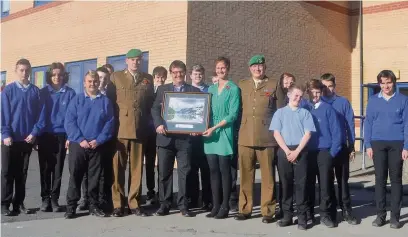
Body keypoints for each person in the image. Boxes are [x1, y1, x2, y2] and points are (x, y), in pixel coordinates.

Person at [234, 55, 285, 223]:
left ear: (265, 67)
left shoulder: (273, 84)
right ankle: (245, 209)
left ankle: (268, 211)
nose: (257, 69)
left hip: (267, 138)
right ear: (250, 68)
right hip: (245, 136)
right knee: (246, 176)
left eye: (260, 66)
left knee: (268, 176)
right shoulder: (242, 85)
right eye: (254, 66)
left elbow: (280, 112)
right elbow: (237, 110)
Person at [107, 49, 155, 217]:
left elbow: (150, 105)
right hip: (121, 129)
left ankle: (134, 203)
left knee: (136, 170)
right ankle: (118, 204)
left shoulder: (147, 79)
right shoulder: (116, 77)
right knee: (117, 169)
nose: (136, 62)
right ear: (126, 61)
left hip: (139, 129)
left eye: (138, 60)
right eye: (132, 60)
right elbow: (110, 104)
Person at [151, 60, 200, 217]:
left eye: (180, 72)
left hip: (185, 140)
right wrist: (158, 124)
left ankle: (183, 205)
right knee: (164, 173)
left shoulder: (194, 90)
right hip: (165, 138)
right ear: (171, 74)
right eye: (175, 72)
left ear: (185, 73)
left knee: (184, 173)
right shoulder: (162, 89)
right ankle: (164, 204)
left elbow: (199, 112)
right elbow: (155, 109)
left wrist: (196, 128)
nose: (178, 75)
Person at [64, 70, 114, 219]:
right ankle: (71, 207)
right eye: (89, 81)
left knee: (94, 178)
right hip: (78, 145)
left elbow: (110, 123)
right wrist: (80, 139)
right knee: (75, 176)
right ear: (84, 83)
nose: (92, 84)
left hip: (96, 145)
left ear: (98, 83)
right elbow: (69, 122)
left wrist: (99, 140)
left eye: (95, 81)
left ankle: (93, 205)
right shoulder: (77, 100)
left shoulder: (105, 101)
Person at [364, 70, 408, 229]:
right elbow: (368, 123)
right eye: (382, 83)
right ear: (379, 84)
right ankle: (380, 216)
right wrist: (367, 144)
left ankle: (395, 218)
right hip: (377, 143)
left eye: (388, 82)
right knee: (380, 180)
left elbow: (407, 124)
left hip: (397, 143)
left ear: (393, 82)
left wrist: (406, 146)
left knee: (396, 181)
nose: (386, 86)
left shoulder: (403, 100)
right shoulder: (373, 100)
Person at [269, 84, 316, 230]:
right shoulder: (280, 113)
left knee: (301, 186)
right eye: (296, 95)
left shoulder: (305, 113)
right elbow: (276, 133)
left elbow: (308, 133)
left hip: (301, 151)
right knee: (285, 185)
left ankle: (302, 218)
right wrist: (287, 151)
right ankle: (287, 216)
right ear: (289, 95)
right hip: (284, 151)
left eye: (301, 96)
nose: (298, 98)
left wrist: (296, 152)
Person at [1, 58, 44, 216]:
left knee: (22, 173)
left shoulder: (35, 91)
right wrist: (5, 134)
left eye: (27, 70)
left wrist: (34, 133)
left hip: (27, 140)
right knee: (7, 172)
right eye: (21, 70)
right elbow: (4, 114)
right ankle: (4, 204)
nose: (24, 73)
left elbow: (40, 116)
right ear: (16, 71)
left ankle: (18, 203)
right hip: (10, 139)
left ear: (30, 71)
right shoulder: (9, 90)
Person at [202, 57, 240, 219]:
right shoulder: (210, 89)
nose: (220, 70)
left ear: (228, 69)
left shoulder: (233, 88)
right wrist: (199, 127)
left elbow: (233, 115)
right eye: (218, 68)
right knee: (213, 171)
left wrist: (214, 128)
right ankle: (215, 205)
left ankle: (225, 206)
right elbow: (204, 112)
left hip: (223, 132)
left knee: (225, 171)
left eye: (223, 68)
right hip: (209, 134)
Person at [38, 62, 76, 212]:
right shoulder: (43, 93)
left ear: (64, 76)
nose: (57, 77)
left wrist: (69, 136)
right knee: (45, 169)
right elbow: (38, 115)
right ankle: (45, 199)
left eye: (60, 74)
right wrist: (36, 136)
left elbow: (72, 117)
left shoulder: (70, 93)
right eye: (54, 74)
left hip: (62, 135)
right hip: (45, 135)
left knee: (58, 170)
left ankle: (54, 200)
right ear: (49, 76)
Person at [320, 73, 358, 225]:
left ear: (334, 86)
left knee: (343, 181)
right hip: (325, 150)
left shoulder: (343, 102)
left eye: (330, 86)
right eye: (324, 86)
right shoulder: (317, 103)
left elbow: (349, 124)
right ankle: (330, 212)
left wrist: (351, 146)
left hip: (341, 147)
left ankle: (347, 211)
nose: (328, 89)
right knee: (327, 182)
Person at [304, 79, 342, 228]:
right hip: (308, 152)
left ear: (321, 92)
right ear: (308, 92)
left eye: (317, 92)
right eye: (312, 92)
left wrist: (331, 153)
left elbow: (337, 133)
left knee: (325, 185)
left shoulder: (328, 109)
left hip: (324, 152)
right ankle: (309, 214)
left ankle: (325, 215)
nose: (315, 95)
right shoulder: (304, 108)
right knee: (308, 184)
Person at [188, 64, 212, 210]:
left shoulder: (210, 90)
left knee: (206, 169)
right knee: (191, 169)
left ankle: (207, 200)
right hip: (189, 136)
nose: (198, 76)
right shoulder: (186, 90)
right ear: (190, 75)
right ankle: (192, 199)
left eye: (200, 74)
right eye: (195, 74)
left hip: (205, 135)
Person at [144, 66, 168, 205]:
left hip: (162, 132)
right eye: (158, 77)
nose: (160, 80)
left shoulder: (167, 91)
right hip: (148, 132)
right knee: (149, 164)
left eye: (162, 77)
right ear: (154, 78)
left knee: (162, 164)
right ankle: (150, 190)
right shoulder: (148, 91)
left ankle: (161, 191)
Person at [274, 72, 296, 219]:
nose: (288, 84)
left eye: (291, 82)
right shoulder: (277, 96)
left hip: (292, 142)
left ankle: (289, 206)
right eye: (286, 81)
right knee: (282, 178)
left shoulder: (295, 98)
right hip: (278, 141)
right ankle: (282, 206)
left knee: (290, 178)